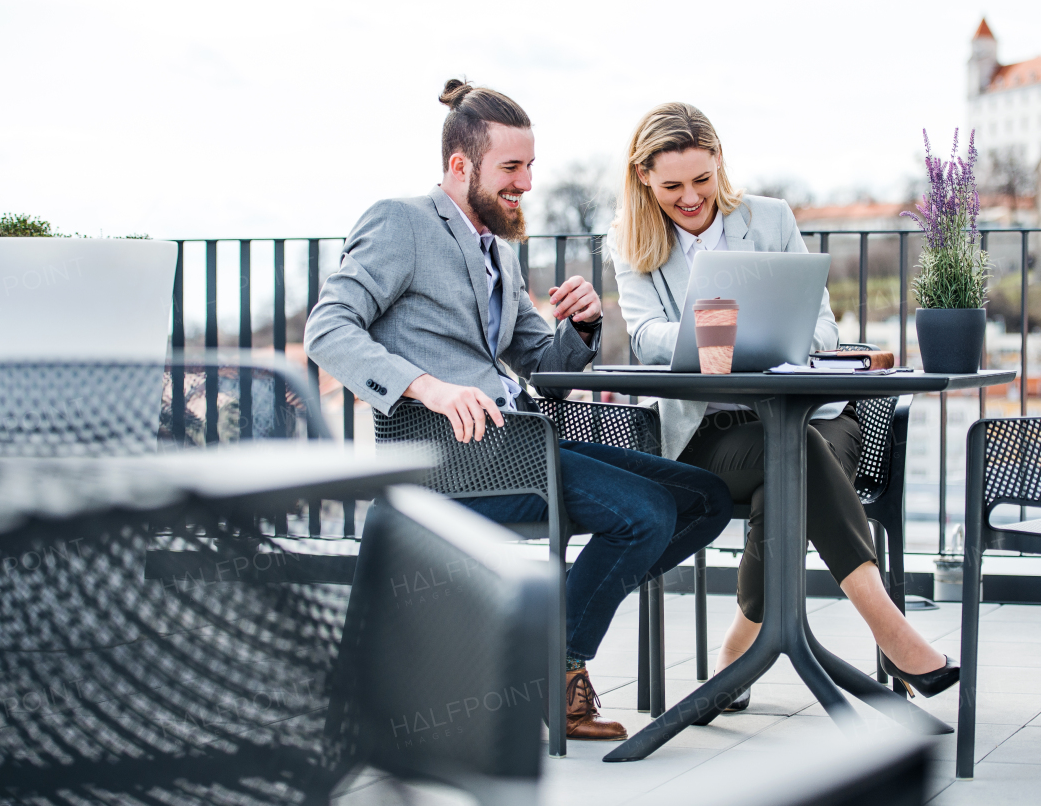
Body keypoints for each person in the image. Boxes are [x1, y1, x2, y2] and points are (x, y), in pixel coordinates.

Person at [305, 82, 732, 741]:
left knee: (706, 497)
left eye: (530, 166)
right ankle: (555, 661)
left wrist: (584, 326)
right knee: (644, 514)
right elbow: (328, 330)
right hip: (452, 457)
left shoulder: (496, 252)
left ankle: (546, 634)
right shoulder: (400, 222)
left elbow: (540, 364)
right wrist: (430, 388)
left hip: (520, 444)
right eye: (511, 168)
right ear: (460, 166)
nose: (526, 183)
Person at [609, 102, 958, 708]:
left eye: (701, 179)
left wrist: (779, 334)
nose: (690, 198)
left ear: (719, 162)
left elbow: (823, 328)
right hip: (713, 432)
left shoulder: (769, 220)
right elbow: (643, 337)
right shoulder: (631, 240)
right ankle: (890, 630)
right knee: (790, 460)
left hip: (814, 417)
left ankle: (738, 653)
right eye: (672, 186)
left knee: (791, 465)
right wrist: (711, 331)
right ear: (644, 178)